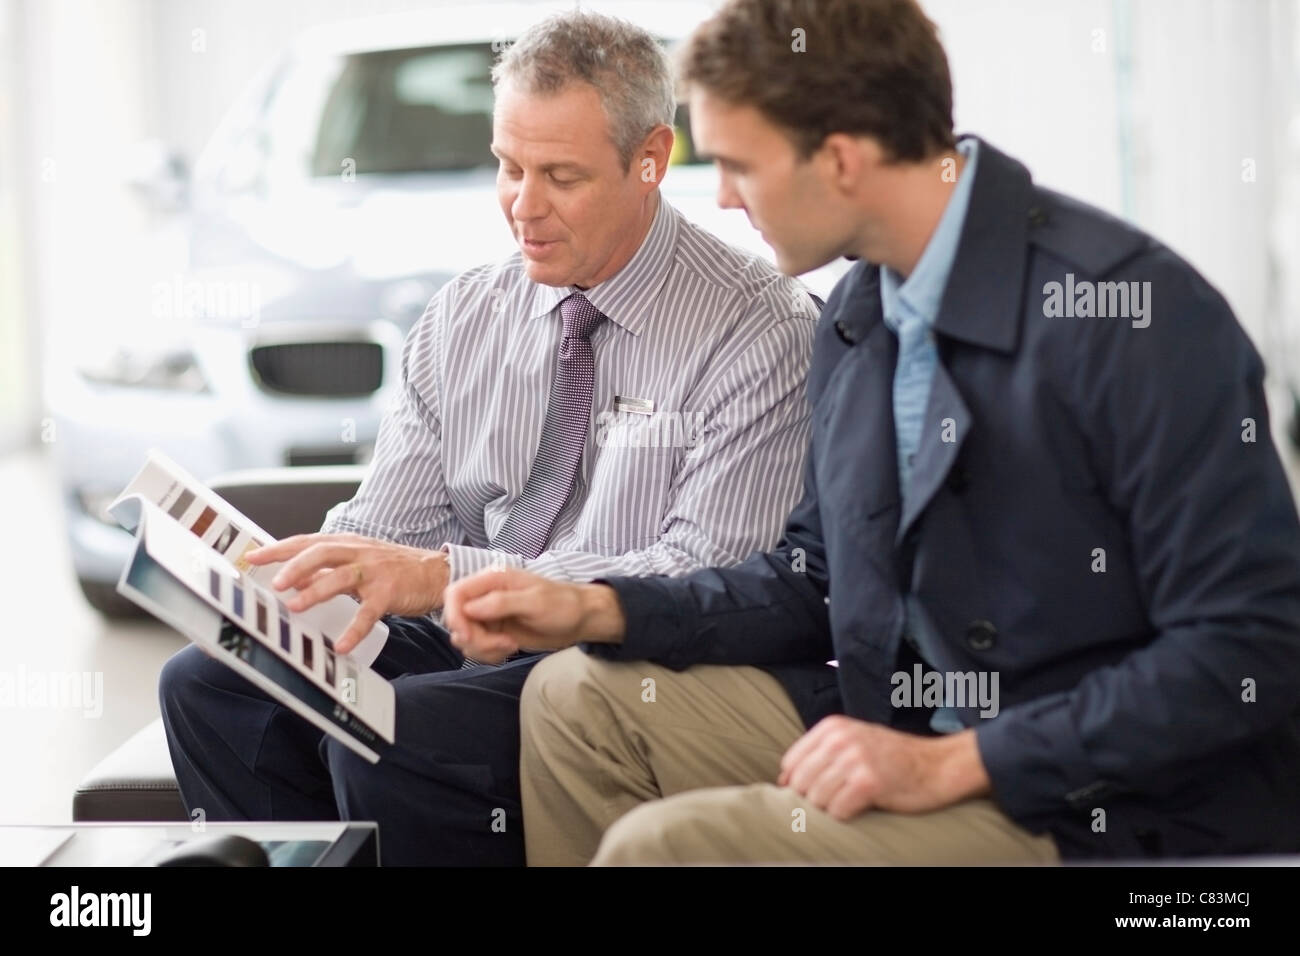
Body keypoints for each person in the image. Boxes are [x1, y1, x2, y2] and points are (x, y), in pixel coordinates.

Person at [444, 0, 1300, 865]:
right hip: (893, 719)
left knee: (665, 847)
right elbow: (812, 577)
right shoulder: (861, 310)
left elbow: (1248, 648)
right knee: (571, 700)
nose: (726, 197)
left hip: (1104, 804)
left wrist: (959, 761)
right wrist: (595, 605)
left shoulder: (1133, 314)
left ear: (842, 161)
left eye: (740, 165)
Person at [158, 9, 819, 866]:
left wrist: (450, 575)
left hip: (616, 662)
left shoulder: (756, 329)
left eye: (561, 176)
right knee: (210, 684)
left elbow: (705, 575)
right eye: (508, 167)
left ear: (652, 159)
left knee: (410, 729)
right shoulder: (466, 313)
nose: (523, 207)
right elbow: (389, 528)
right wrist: (298, 582)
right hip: (462, 634)